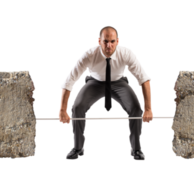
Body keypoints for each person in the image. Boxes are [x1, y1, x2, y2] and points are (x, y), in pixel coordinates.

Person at [58, 25, 155, 160]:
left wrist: (149, 109)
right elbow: (69, 81)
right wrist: (62, 109)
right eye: (105, 41)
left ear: (118, 41)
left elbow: (144, 80)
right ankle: (77, 148)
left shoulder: (128, 53)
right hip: (95, 82)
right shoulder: (88, 54)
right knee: (77, 107)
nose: (109, 45)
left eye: (112, 41)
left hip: (119, 82)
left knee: (136, 108)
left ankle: (136, 149)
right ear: (98, 41)